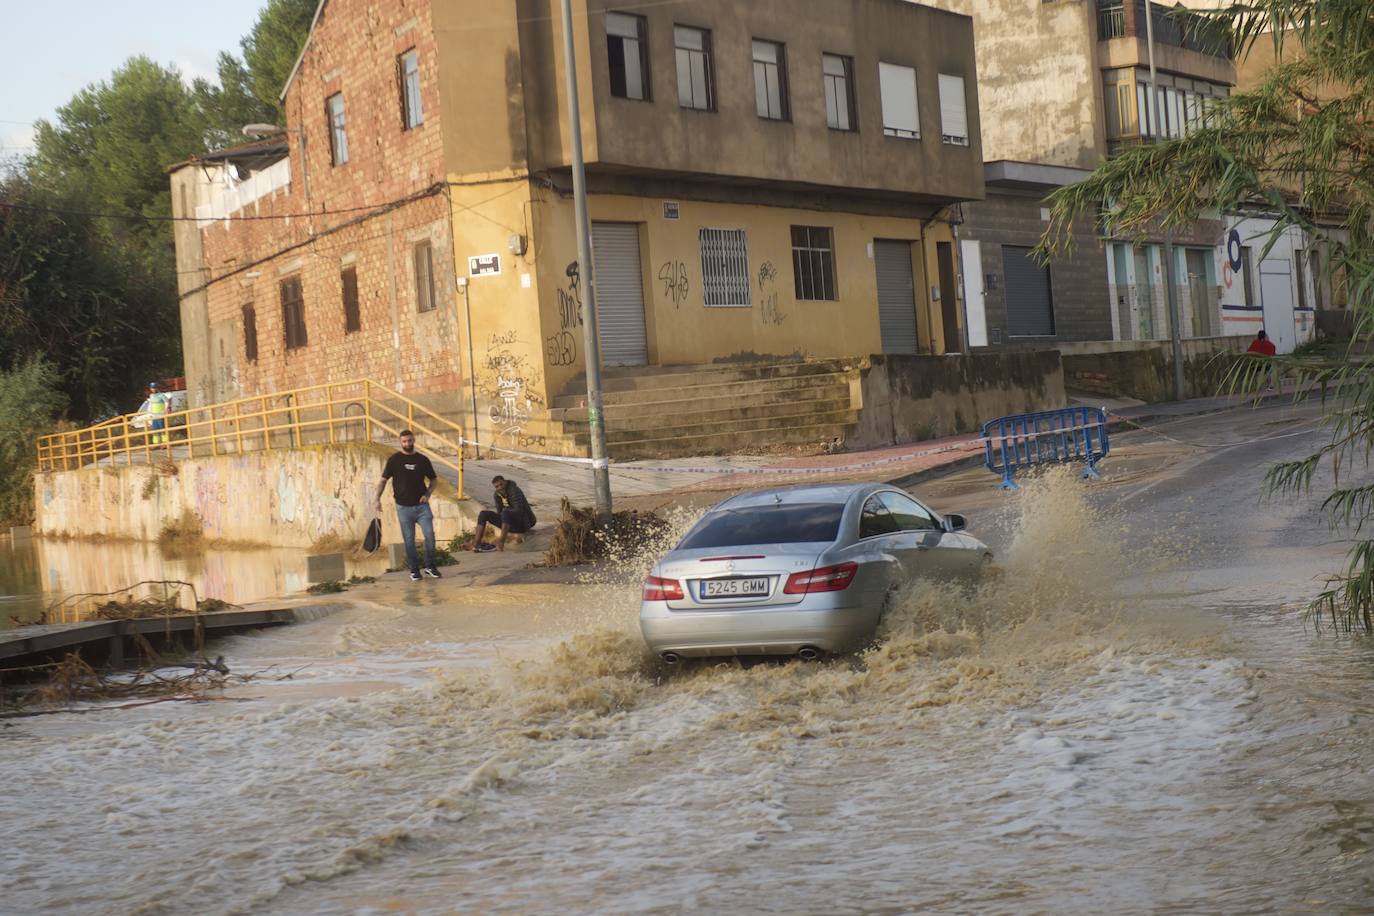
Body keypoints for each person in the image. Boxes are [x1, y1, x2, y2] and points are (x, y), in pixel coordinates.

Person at [372, 430, 441, 581]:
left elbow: (434, 480)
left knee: (430, 535)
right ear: (400, 442)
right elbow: (383, 480)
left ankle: (430, 566)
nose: (407, 444)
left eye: (409, 441)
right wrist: (377, 498)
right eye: (404, 441)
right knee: (409, 540)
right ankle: (414, 570)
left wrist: (428, 494)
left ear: (414, 440)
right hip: (403, 508)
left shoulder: (422, 460)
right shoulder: (394, 460)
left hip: (422, 506)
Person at [471, 475, 536, 552]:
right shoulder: (497, 495)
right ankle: (476, 542)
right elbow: (499, 513)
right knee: (483, 514)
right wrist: (503, 514)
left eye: (501, 484)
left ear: (505, 482)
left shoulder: (514, 490)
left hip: (523, 524)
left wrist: (506, 511)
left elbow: (519, 510)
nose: (500, 488)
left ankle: (501, 542)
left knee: (505, 512)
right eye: (497, 486)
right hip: (509, 522)